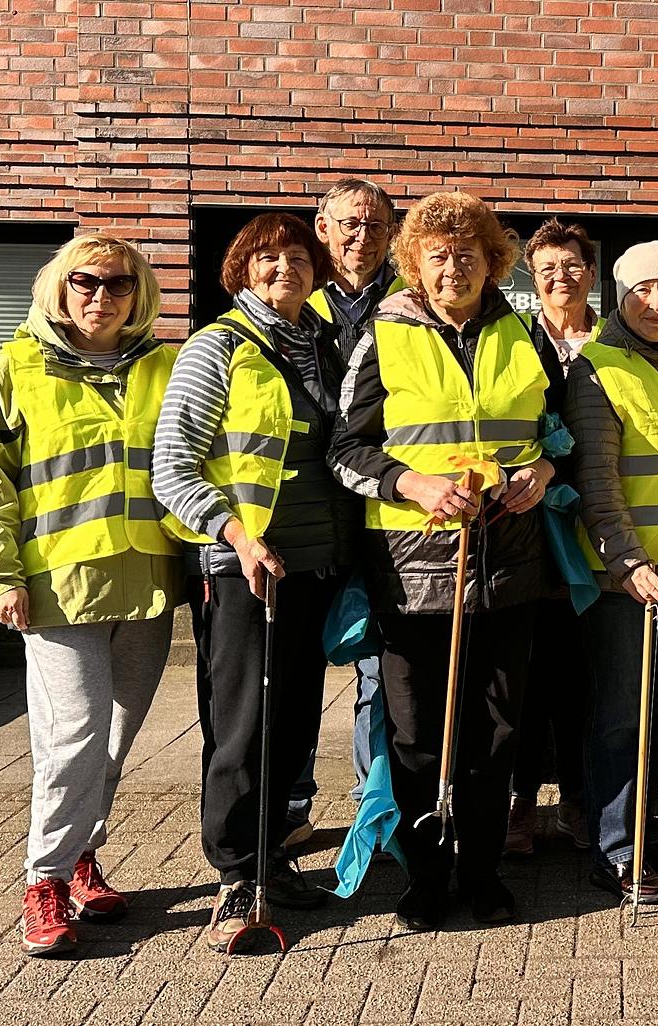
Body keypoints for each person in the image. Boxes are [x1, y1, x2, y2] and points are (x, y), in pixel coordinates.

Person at [328, 191, 569, 930]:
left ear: (492, 262)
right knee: (413, 734)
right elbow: (344, 449)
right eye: (437, 255)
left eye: (467, 254)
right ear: (415, 263)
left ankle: (484, 873)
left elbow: (558, 436)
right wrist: (411, 482)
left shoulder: (524, 332)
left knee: (496, 730)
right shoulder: (384, 333)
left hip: (508, 565)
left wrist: (545, 474)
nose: (452, 267)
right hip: (412, 573)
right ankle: (425, 877)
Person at [0, 233, 179, 957]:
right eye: (86, 282)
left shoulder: (165, 367)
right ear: (60, 285)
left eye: (118, 285)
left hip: (144, 584)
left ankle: (84, 858)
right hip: (56, 590)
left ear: (139, 294)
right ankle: (43, 881)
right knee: (72, 741)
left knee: (113, 741)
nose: (101, 297)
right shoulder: (18, 366)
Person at [152, 212, 357, 952]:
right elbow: (171, 465)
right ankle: (237, 874)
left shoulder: (324, 347)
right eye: (267, 260)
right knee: (241, 725)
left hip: (313, 566)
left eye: (299, 259)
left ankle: (274, 856)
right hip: (245, 569)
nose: (285, 270)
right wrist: (236, 534)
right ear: (241, 271)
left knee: (295, 722)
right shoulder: (219, 348)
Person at [566, 240, 658, 902]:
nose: (655, 304)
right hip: (623, 579)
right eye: (642, 291)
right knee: (619, 714)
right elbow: (598, 483)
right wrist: (628, 561)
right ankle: (616, 848)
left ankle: (645, 829)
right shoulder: (597, 367)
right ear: (620, 297)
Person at [285, 177, 403, 848]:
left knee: (380, 673)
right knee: (297, 672)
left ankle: (375, 807)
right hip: (309, 518)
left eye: (376, 226)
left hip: (386, 519)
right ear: (322, 227)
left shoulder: (408, 306)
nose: (362, 236)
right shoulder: (294, 306)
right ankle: (293, 804)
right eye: (349, 224)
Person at [506, 218, 604, 855]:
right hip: (528, 531)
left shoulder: (616, 340)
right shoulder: (512, 338)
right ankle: (519, 804)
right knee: (524, 674)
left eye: (571, 266)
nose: (559, 278)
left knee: (581, 675)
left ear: (591, 272)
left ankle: (576, 799)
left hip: (598, 528)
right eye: (546, 269)